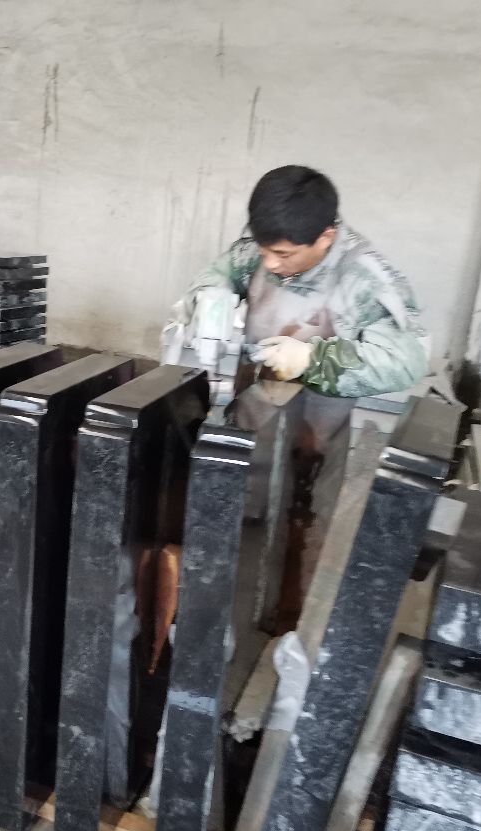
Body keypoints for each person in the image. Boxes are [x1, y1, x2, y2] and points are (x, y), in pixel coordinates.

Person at [174, 164, 429, 600]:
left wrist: (315, 359)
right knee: (236, 528)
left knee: (299, 539)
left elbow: (406, 362)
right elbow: (222, 271)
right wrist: (211, 294)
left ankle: (286, 617)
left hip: (315, 438)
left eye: (284, 255)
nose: (271, 263)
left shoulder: (364, 277)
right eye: (264, 250)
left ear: (326, 237)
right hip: (252, 417)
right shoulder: (264, 247)